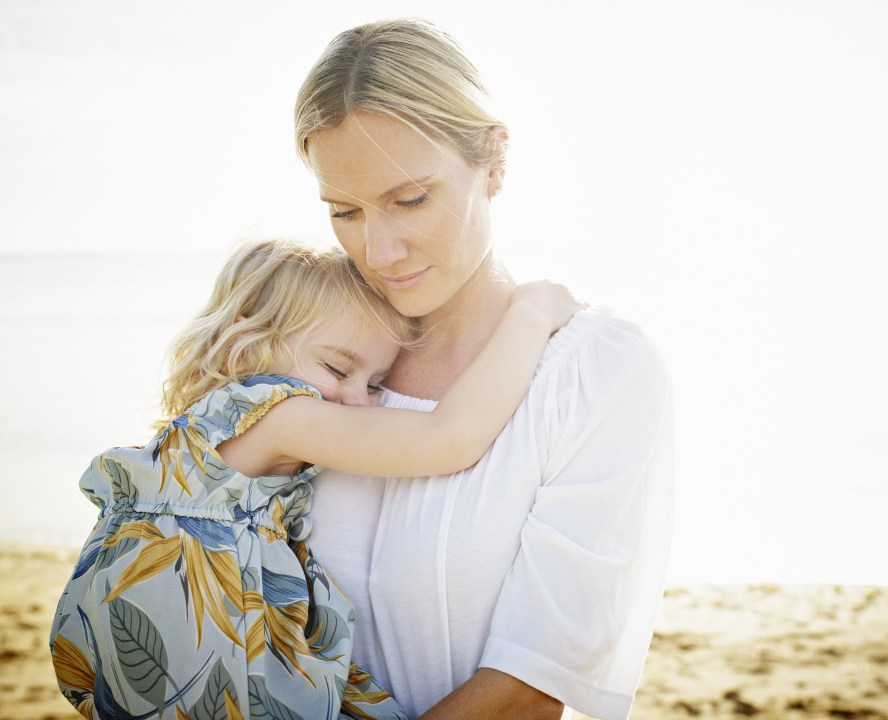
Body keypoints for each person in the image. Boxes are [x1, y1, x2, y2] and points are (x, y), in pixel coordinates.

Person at [294, 17, 675, 720]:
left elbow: (529, 689)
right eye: (344, 211)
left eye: (410, 200)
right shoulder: (318, 363)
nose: (378, 251)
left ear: (495, 162)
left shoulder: (596, 373)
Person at [49, 238, 583, 720]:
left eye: (375, 383)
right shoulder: (278, 411)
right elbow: (451, 439)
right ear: (251, 341)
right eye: (336, 368)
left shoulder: (204, 433)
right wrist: (531, 316)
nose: (356, 399)